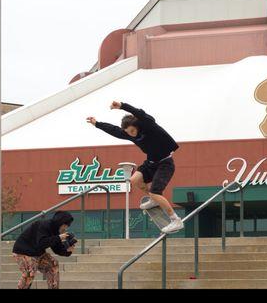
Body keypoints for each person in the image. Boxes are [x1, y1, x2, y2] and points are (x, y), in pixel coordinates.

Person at [87, 101, 184, 233]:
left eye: (133, 130)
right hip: (150, 163)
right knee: (134, 180)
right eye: (128, 132)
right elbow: (114, 130)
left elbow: (139, 113)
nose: (131, 134)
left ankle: (175, 220)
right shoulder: (130, 134)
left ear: (137, 126)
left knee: (156, 191)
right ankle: (154, 200)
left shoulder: (149, 125)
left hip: (165, 163)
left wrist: (122, 106)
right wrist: (97, 124)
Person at [12, 210, 75, 289]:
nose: (66, 228)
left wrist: (67, 251)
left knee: (53, 264)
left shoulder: (56, 231)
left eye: (67, 226)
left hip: (38, 253)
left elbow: (56, 249)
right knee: (30, 272)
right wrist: (59, 237)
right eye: (65, 225)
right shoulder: (43, 225)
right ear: (59, 222)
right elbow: (42, 243)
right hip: (22, 252)